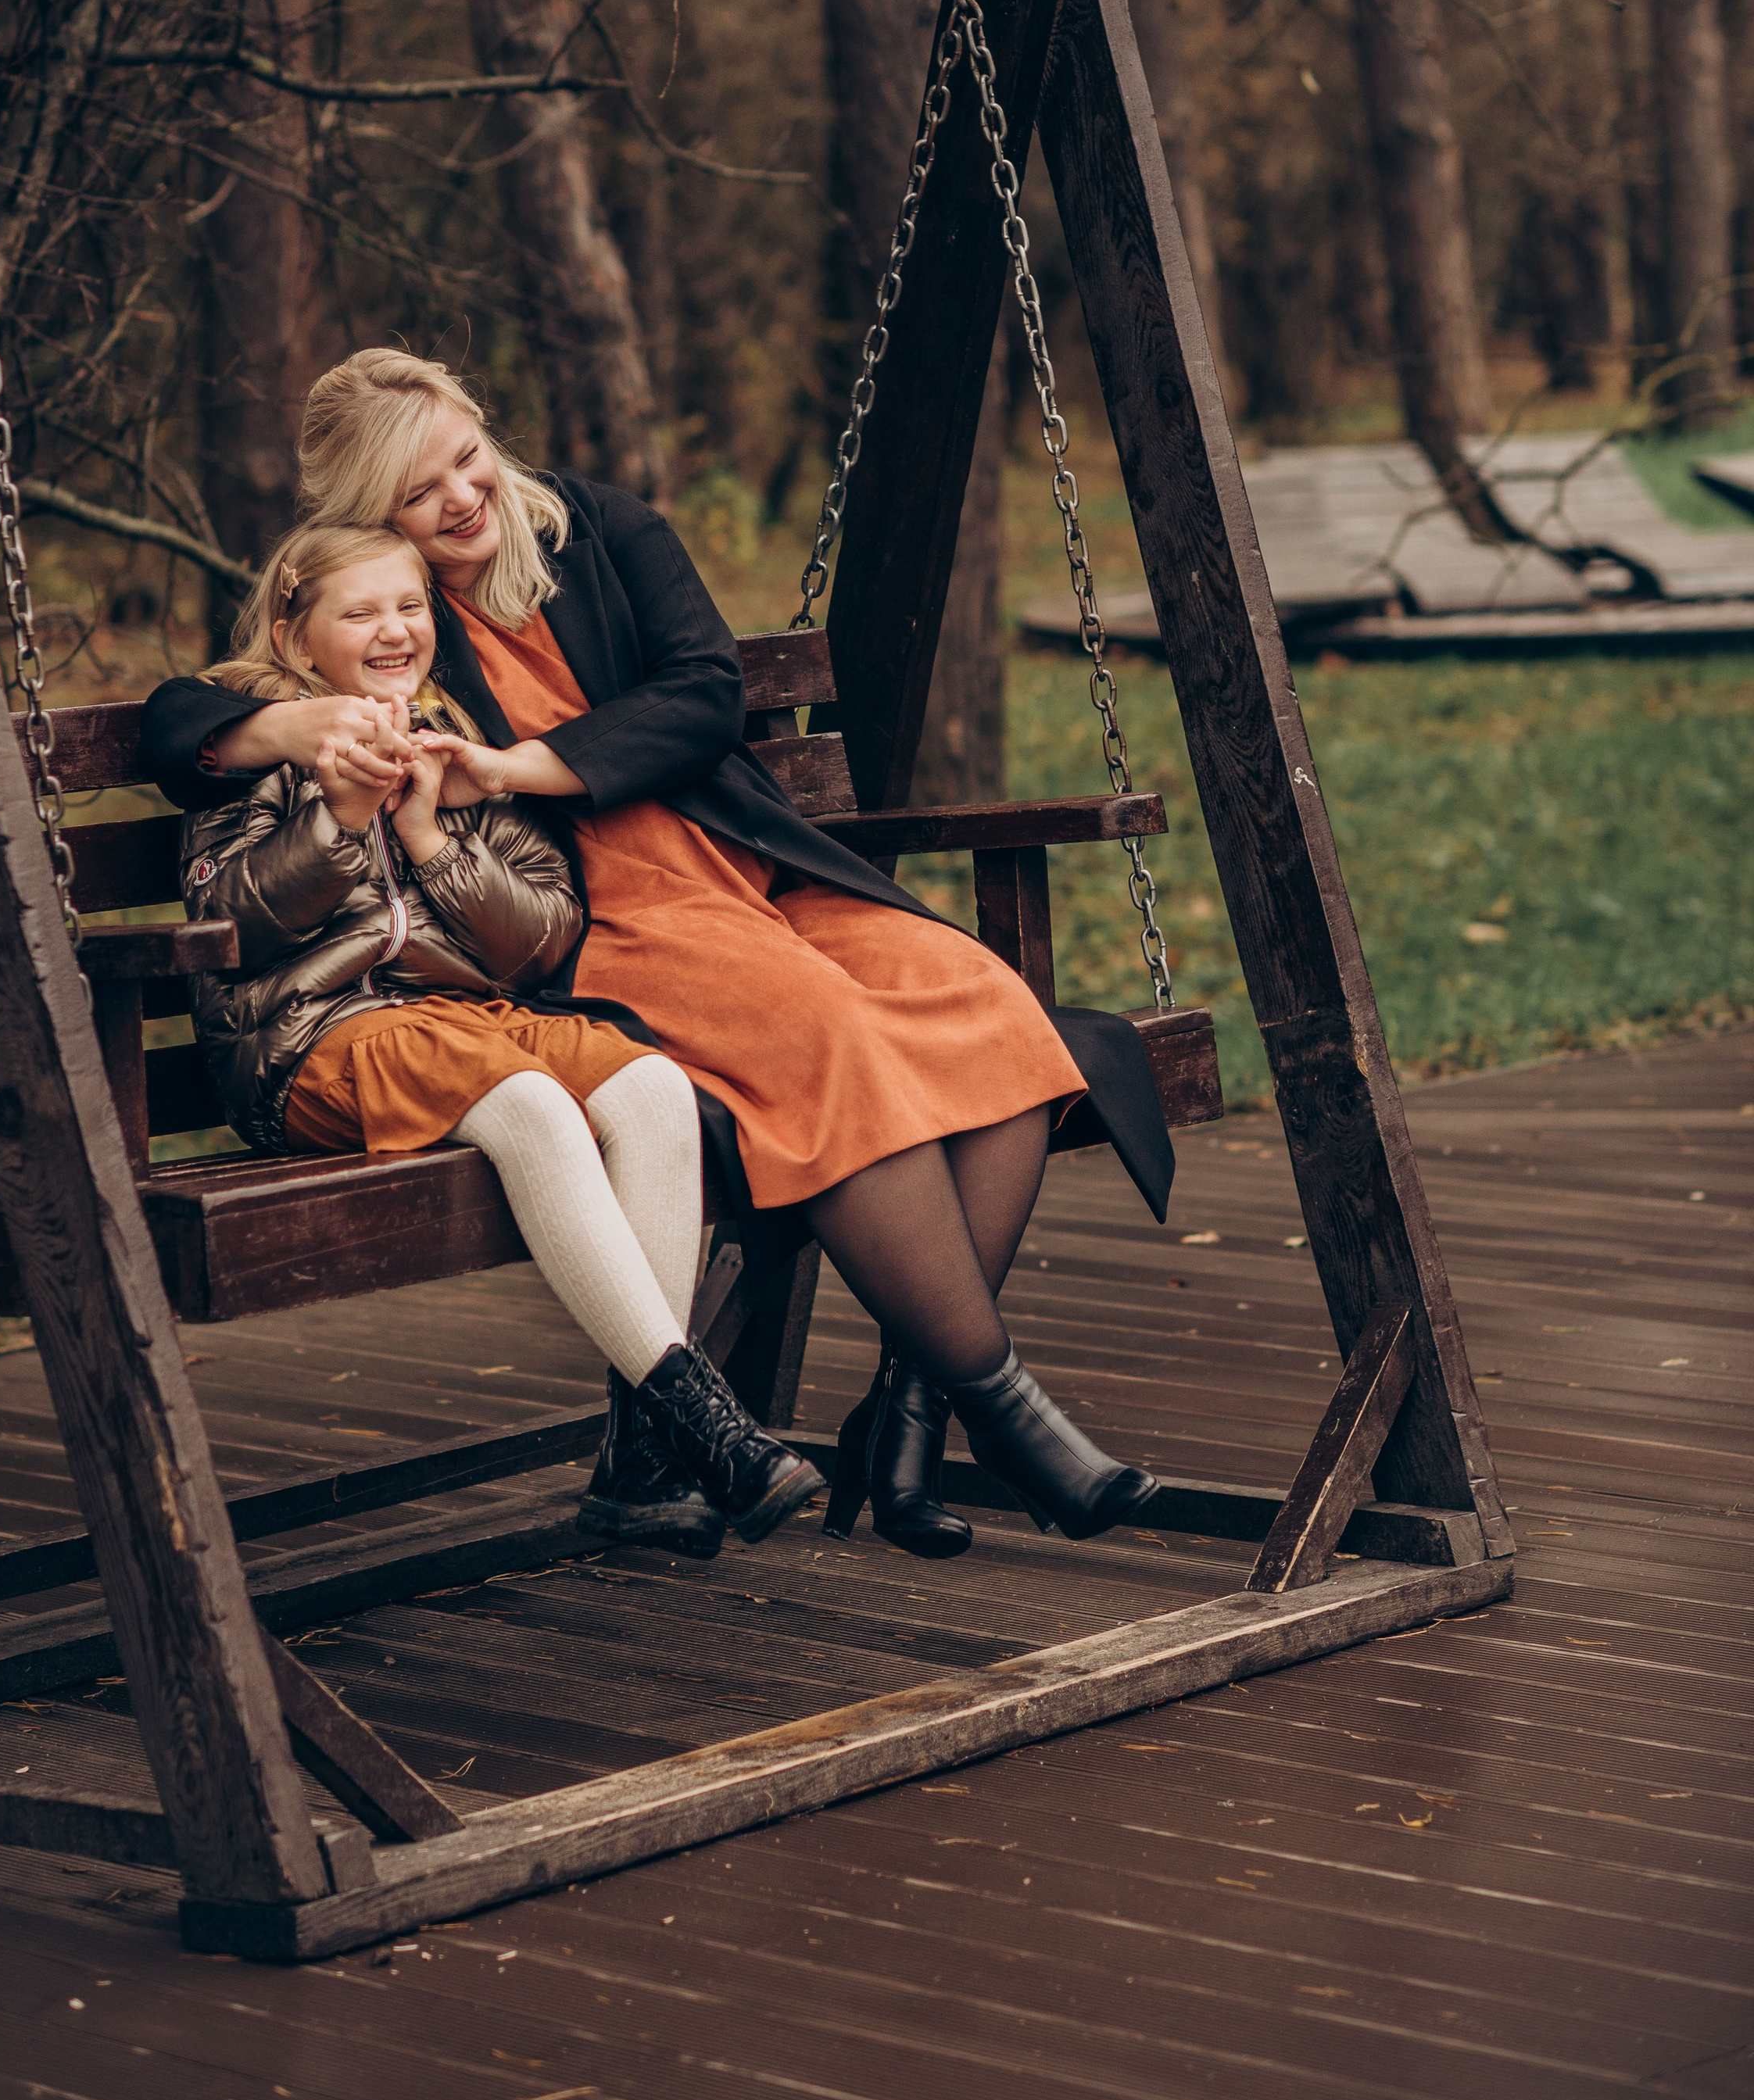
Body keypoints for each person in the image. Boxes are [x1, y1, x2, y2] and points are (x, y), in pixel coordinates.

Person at [145, 351, 1166, 1562]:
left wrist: (515, 766)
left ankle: (914, 1405)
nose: (462, 501)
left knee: (992, 1009)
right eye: (420, 496)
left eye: (466, 458)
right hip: (599, 915)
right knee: (822, 1037)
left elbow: (703, 694)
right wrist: (288, 723)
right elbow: (176, 724)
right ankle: (1007, 1411)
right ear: (378, 521)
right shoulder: (395, 614)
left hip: (741, 863)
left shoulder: (597, 530)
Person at [176, 515, 823, 1558]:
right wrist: (335, 824)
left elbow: (541, 936)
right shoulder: (258, 748)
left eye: (408, 606)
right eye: (361, 612)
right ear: (298, 639)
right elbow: (226, 927)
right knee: (532, 1108)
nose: (394, 630)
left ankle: (645, 1460)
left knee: (652, 1090)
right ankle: (705, 1421)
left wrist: (432, 836)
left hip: (470, 1022)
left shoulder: (454, 733)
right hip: (316, 1041)